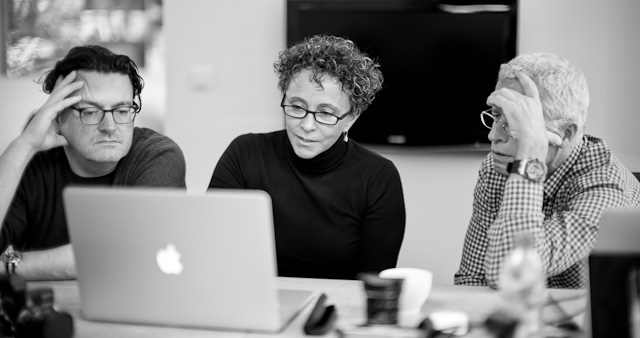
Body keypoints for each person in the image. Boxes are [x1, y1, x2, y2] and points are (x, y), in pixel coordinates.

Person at [209, 35, 406, 280]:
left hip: (335, 312)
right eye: (297, 107)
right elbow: (212, 251)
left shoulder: (377, 178)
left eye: (325, 113)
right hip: (249, 305)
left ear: (352, 117)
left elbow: (371, 286)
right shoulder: (245, 153)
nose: (307, 125)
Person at [454, 53, 640, 289]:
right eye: (496, 116)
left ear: (566, 133)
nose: (493, 136)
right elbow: (473, 279)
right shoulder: (496, 168)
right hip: (524, 317)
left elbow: (517, 275)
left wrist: (530, 156)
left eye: (515, 123)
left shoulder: (607, 187)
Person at [0, 45, 186, 280]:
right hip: (46, 310)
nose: (109, 127)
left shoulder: (158, 155)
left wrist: (11, 267)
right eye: (90, 111)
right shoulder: (32, 162)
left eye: (121, 110)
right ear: (58, 118)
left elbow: (128, 254)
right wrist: (25, 144)